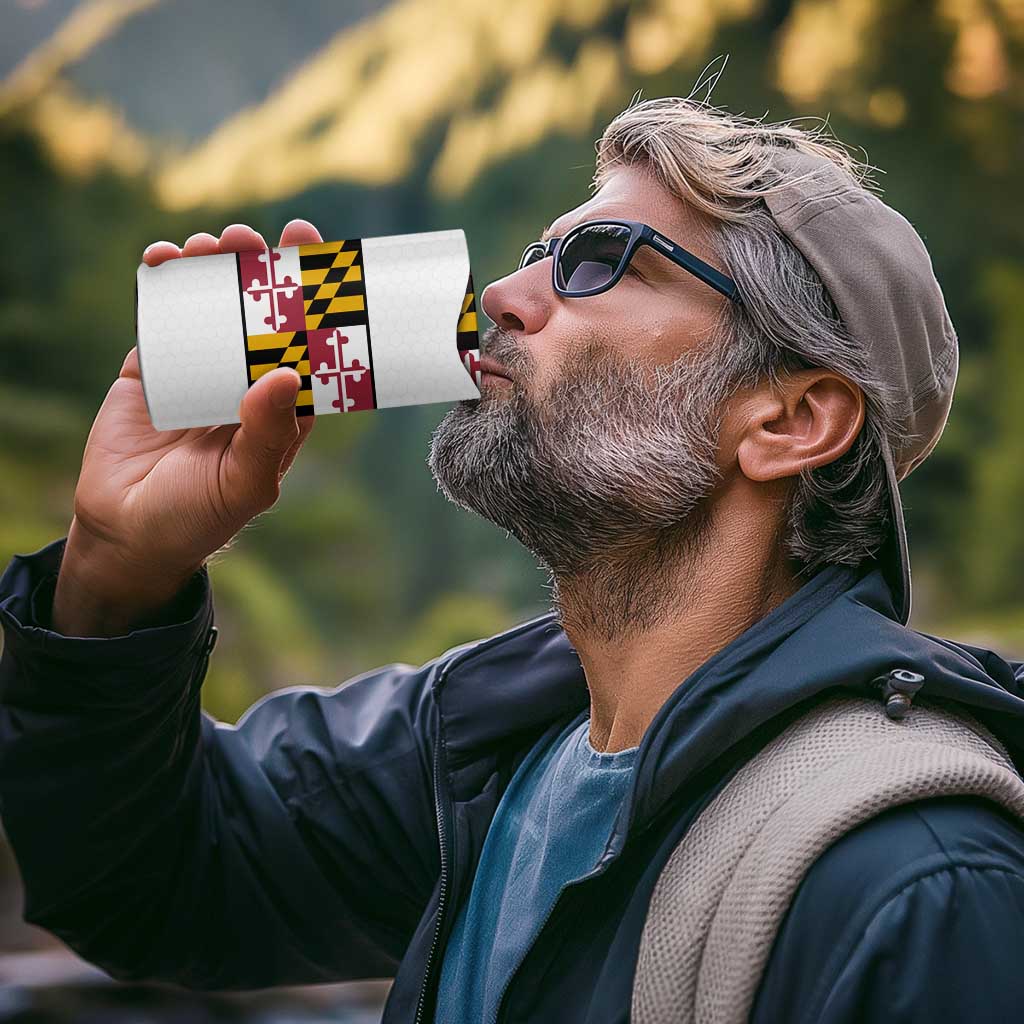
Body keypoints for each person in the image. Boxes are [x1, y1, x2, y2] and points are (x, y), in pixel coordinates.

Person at [2, 95, 1024, 1024]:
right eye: (540, 252)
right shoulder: (480, 749)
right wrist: (116, 571)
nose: (503, 291)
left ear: (791, 419)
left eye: (600, 261)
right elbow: (149, 879)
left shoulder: (918, 884)